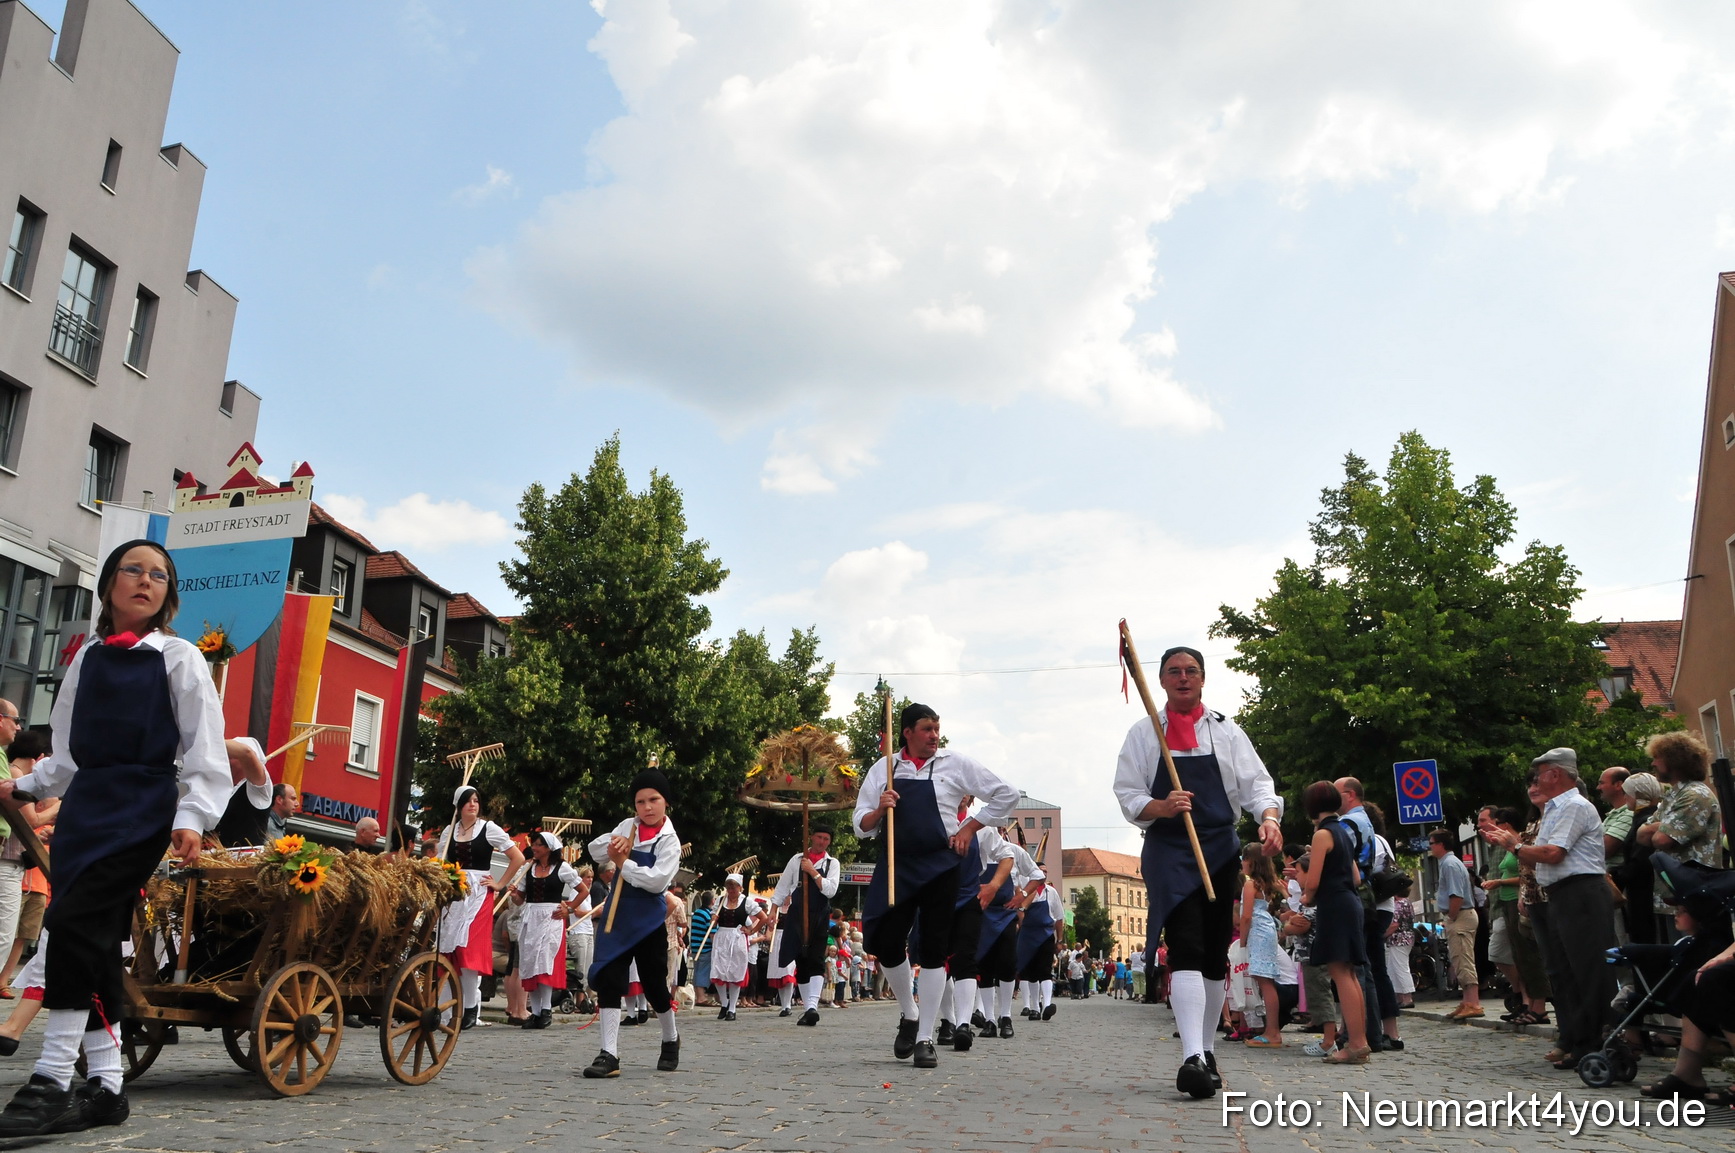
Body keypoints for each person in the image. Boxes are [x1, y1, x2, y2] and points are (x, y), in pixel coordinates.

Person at [0, 539, 229, 1137]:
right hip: (85, 810)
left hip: (142, 806)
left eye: (159, 575)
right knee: (95, 942)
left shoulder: (180, 658)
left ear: (167, 595)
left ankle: (51, 1079)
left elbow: (204, 749)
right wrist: (23, 789)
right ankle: (106, 1088)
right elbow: (68, 753)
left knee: (72, 925)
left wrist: (192, 817)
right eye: (134, 569)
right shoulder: (87, 657)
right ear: (108, 585)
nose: (146, 581)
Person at [1112, 645, 1283, 1099]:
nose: (1183, 677)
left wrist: (1268, 817)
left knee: (1211, 954)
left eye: (1191, 671)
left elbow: (1257, 784)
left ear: (1203, 679)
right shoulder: (1144, 733)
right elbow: (1127, 794)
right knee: (1185, 943)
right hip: (1170, 848)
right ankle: (1190, 1055)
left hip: (1218, 848)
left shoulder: (1226, 731)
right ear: (1162, 681)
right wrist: (1161, 806)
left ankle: (1206, 1050)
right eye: (1173, 671)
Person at [854, 702, 1018, 1070]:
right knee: (881, 939)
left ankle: (926, 1037)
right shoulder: (885, 768)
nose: (934, 736)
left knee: (933, 949)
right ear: (907, 732)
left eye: (937, 728)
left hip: (942, 866)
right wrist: (880, 810)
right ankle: (909, 1012)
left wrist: (969, 828)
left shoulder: (954, 763)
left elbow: (1006, 794)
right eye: (927, 729)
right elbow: (859, 824)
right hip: (897, 864)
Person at [1484, 747, 1617, 1070]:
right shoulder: (1555, 809)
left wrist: (1514, 845)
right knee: (1567, 971)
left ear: (1555, 774)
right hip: (1560, 893)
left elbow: (1554, 853)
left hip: (1580, 892)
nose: (1536, 781)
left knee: (1587, 970)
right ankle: (1576, 1039)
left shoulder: (1573, 805)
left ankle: (1597, 1042)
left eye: (1540, 774)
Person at [584, 768, 684, 1078]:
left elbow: (656, 883)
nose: (647, 807)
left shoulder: (670, 842)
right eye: (640, 802)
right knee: (610, 978)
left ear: (665, 802)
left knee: (654, 986)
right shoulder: (628, 826)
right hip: (617, 913)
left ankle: (670, 1039)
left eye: (653, 799)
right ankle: (609, 1053)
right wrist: (614, 846)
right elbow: (595, 849)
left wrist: (621, 863)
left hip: (648, 918)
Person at [436, 786, 525, 1030]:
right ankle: (445, 1010)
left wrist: (499, 884)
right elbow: (440, 862)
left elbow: (517, 857)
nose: (473, 805)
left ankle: (469, 1008)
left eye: (476, 800)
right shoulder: (449, 831)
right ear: (458, 806)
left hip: (477, 893)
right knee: (448, 951)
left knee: (468, 951)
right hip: (454, 893)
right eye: (467, 801)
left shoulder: (489, 828)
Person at [1297, 781, 1370, 1065]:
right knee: (1350, 975)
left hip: (1334, 905)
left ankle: (1356, 1044)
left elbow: (1312, 881)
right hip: (1350, 902)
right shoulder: (1344, 833)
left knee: (1340, 975)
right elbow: (1356, 878)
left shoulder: (1322, 834)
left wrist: (1306, 897)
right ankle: (1359, 1041)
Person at [1334, 781, 1402, 1051]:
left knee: (1365, 969)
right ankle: (1383, 1032)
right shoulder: (1375, 835)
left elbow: (1359, 872)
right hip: (1379, 906)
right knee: (1373, 969)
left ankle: (1366, 1033)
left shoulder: (1355, 829)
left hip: (1372, 905)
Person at [1637, 732, 1723, 943]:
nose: (1653, 763)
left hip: (1694, 897)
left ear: (1674, 760)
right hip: (1675, 897)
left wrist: (1657, 828)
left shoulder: (1695, 795)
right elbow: (1641, 835)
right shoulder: (1674, 795)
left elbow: (1661, 840)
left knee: (1696, 960)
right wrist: (1662, 826)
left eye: (1657, 757)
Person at [0, 733, 56, 999]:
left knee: (17, 933)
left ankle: (3, 981)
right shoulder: (14, 775)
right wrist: (57, 809)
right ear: (41, 759)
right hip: (10, 862)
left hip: (24, 866)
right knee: (5, 933)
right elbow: (32, 819)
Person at [770, 828, 841, 1026]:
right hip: (798, 913)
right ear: (812, 837)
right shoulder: (797, 859)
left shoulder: (831, 863)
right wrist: (772, 911)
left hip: (819, 914)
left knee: (816, 957)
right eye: (819, 837)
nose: (822, 841)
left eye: (826, 839)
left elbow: (830, 890)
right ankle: (807, 1007)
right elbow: (783, 886)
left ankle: (812, 1006)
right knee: (800, 957)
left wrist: (812, 871)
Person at [511, 831, 577, 1029]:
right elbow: (520, 899)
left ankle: (546, 1009)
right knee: (531, 962)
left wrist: (569, 908)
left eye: (538, 845)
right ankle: (537, 1011)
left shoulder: (562, 868)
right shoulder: (528, 868)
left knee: (545, 961)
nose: (534, 848)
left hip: (551, 916)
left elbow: (582, 889)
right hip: (531, 915)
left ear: (548, 848)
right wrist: (514, 894)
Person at [1238, 843, 1287, 1048]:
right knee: (1266, 980)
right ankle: (1271, 1030)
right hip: (1267, 931)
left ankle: (1273, 1032)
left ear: (1251, 861)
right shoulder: (1267, 884)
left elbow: (1246, 916)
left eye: (1244, 858)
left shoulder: (1250, 885)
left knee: (1265, 982)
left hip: (1258, 933)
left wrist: (1242, 941)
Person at [1428, 830, 1480, 1019]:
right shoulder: (1449, 863)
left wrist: (1451, 916)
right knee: (1459, 959)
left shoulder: (1449, 864)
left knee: (1464, 958)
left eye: (1432, 843)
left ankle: (1473, 1003)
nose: (1430, 847)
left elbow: (1456, 894)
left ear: (1441, 844)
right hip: (1461, 915)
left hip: (1461, 916)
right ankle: (1467, 1002)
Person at [708, 874, 762, 1020]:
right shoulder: (720, 901)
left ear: (740, 887)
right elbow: (712, 920)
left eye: (734, 886)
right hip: (721, 938)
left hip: (737, 938)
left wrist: (751, 931)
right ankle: (724, 1003)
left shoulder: (747, 902)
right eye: (728, 886)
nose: (731, 889)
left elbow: (763, 918)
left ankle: (732, 1008)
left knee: (735, 972)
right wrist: (713, 919)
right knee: (718, 971)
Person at [1384, 878, 1415, 1010]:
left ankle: (1407, 997)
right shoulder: (1407, 902)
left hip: (1399, 939)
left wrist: (1382, 935)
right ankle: (1401, 997)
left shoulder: (1398, 904)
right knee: (1395, 967)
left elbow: (1394, 924)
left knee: (1400, 967)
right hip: (1406, 938)